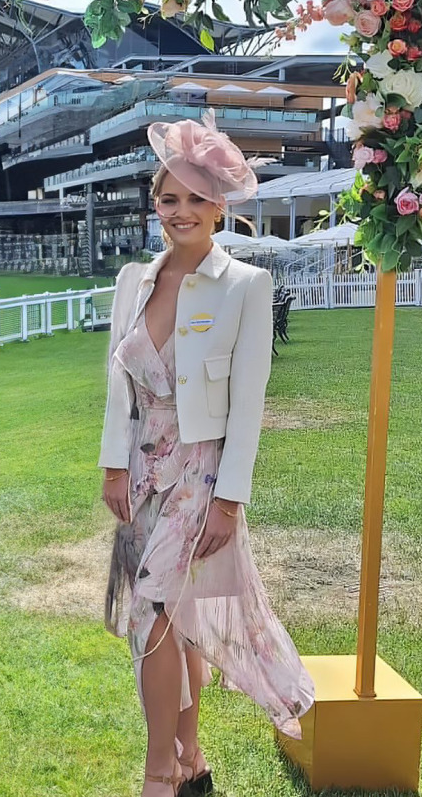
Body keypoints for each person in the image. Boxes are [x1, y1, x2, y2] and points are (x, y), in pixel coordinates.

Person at [98, 110, 315, 797]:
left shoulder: (245, 286)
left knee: (153, 614)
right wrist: (111, 464)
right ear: (153, 204)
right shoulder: (134, 279)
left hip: (201, 473)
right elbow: (117, 382)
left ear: (220, 207)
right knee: (178, 621)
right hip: (142, 471)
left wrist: (230, 498)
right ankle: (191, 758)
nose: (181, 211)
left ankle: (158, 772)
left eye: (196, 198)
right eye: (169, 198)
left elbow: (249, 404)